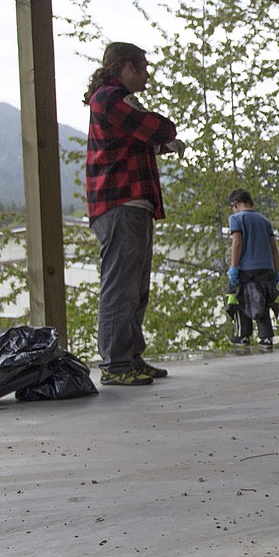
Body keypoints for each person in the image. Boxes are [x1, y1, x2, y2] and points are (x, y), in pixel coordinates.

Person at [83, 42, 186, 386]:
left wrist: (157, 143)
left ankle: (130, 357)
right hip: (119, 204)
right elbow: (158, 128)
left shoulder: (115, 102)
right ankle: (115, 364)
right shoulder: (111, 97)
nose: (147, 74)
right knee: (120, 287)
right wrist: (165, 137)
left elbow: (143, 138)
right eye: (142, 67)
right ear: (125, 67)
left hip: (131, 205)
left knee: (136, 287)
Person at [227, 188, 279, 346]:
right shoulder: (265, 221)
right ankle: (266, 336)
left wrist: (234, 266)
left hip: (246, 268)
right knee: (262, 301)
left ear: (234, 204)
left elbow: (237, 242)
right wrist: (276, 269)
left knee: (241, 299)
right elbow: (274, 248)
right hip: (266, 268)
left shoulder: (236, 218)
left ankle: (243, 335)